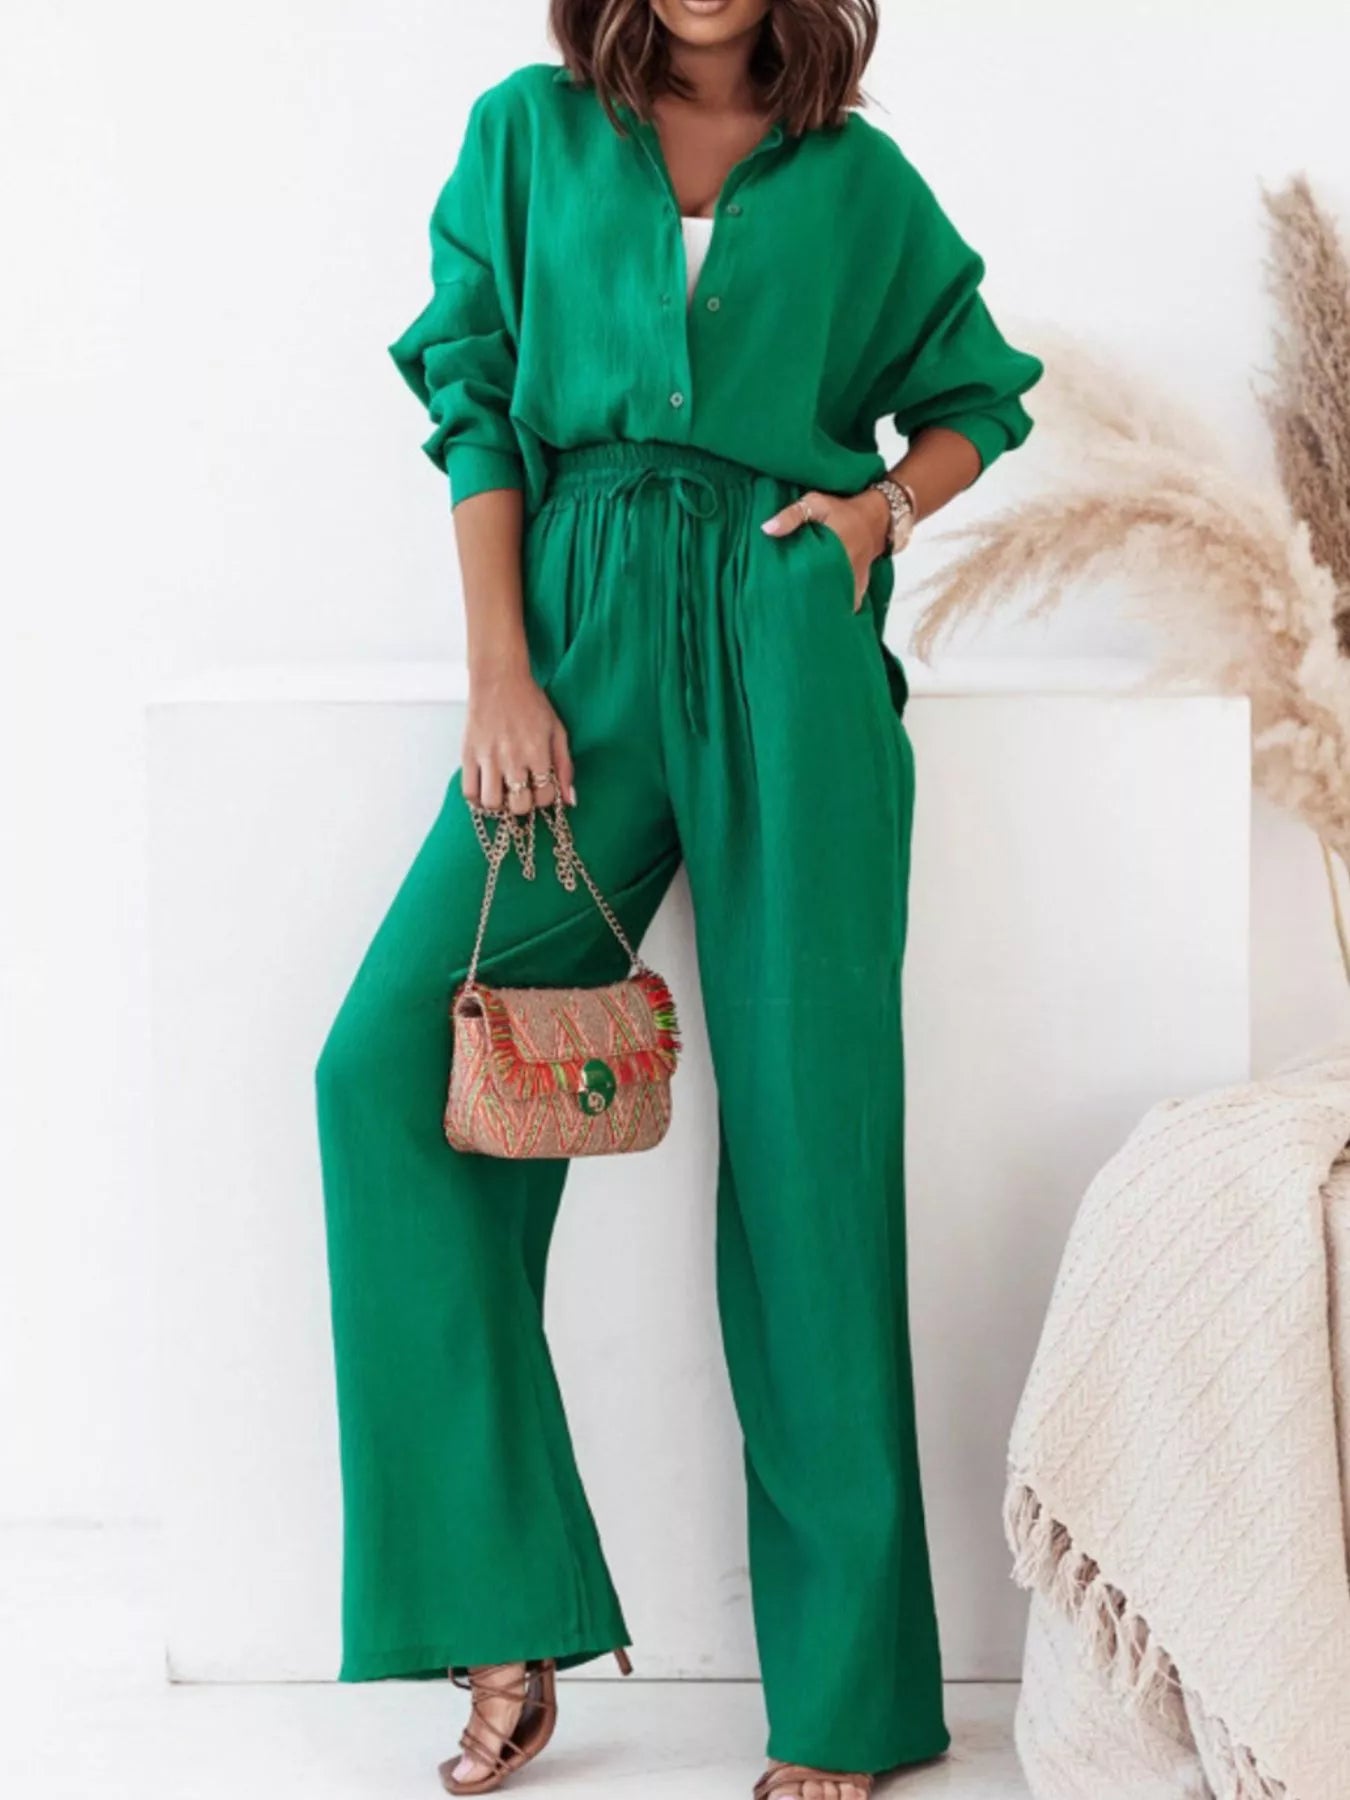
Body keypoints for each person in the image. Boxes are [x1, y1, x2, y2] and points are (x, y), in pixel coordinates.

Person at [315, 3, 1042, 1796]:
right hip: (576, 642)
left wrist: (876, 514)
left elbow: (976, 396)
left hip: (786, 644)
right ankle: (499, 1613)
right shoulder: (528, 130)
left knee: (811, 1154)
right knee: (388, 1074)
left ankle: (847, 1708)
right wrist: (502, 672)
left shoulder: (857, 178)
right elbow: (475, 404)